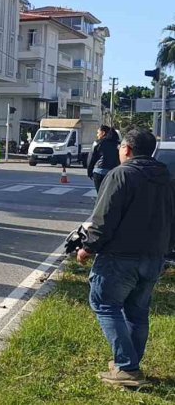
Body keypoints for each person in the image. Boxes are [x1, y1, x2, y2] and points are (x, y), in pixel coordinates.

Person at [77, 128, 175, 387]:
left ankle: (127, 367)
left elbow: (103, 219)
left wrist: (88, 247)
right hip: (153, 257)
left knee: (104, 304)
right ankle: (130, 362)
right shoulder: (166, 176)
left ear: (127, 149)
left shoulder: (120, 174)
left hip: (120, 257)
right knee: (137, 311)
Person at [87, 125, 121, 192]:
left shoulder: (97, 143)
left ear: (103, 133)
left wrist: (89, 172)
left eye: (98, 132)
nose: (97, 135)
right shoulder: (118, 144)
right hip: (113, 173)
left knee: (100, 195)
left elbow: (91, 159)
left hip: (99, 172)